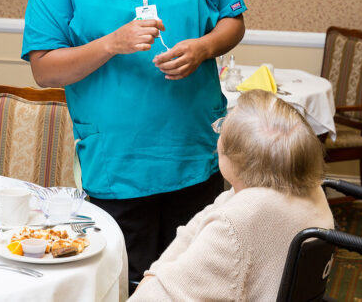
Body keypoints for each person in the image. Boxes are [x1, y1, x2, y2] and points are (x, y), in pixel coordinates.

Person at [21, 0, 246, 291]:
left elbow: (233, 19)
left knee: (198, 285)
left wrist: (204, 48)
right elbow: (43, 69)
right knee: (128, 286)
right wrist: (111, 44)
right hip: (118, 169)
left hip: (195, 156)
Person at [129, 89, 334, 301]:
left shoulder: (240, 220)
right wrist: (155, 274)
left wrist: (150, 282)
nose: (218, 135)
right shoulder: (301, 186)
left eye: (221, 127)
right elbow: (194, 229)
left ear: (238, 159)